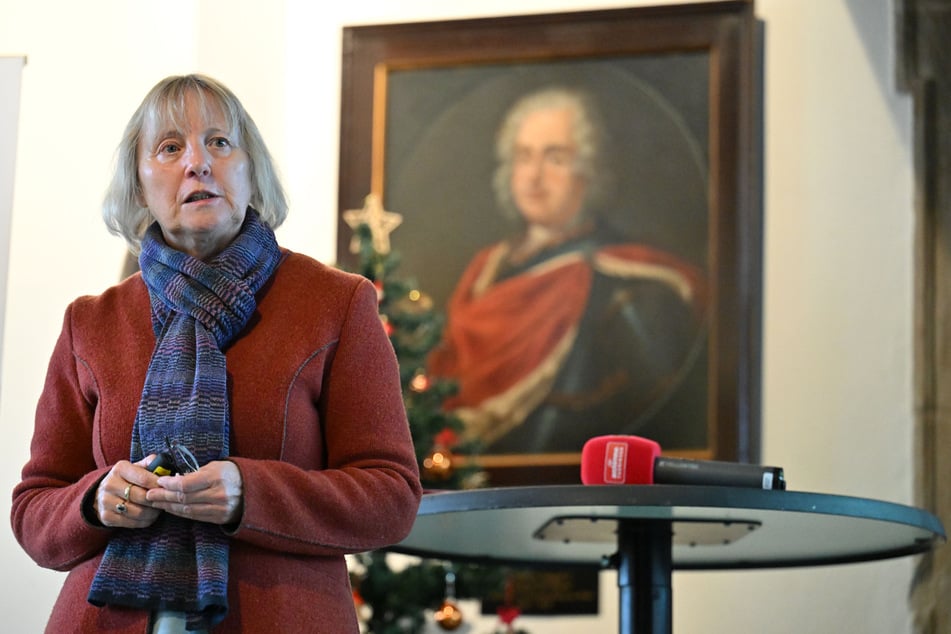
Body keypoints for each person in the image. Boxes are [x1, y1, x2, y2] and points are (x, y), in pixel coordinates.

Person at [10, 74, 422, 633]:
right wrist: (95, 500)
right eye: (170, 147)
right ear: (139, 183)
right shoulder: (90, 322)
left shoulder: (336, 303)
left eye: (220, 143)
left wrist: (249, 493)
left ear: (251, 168)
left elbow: (391, 496)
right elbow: (34, 509)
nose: (197, 163)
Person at [428, 86, 707, 455]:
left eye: (554, 158)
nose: (533, 176)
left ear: (588, 171)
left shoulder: (628, 284)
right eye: (523, 157)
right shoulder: (486, 266)